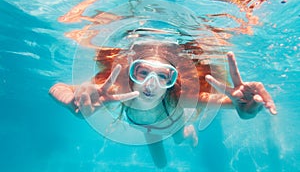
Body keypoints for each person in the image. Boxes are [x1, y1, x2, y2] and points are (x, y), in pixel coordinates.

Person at [49, 39, 277, 168]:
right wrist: (71, 101)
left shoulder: (182, 97)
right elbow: (56, 88)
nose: (151, 84)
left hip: (173, 124)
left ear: (172, 80)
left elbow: (233, 105)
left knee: (179, 139)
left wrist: (245, 107)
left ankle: (188, 133)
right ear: (131, 74)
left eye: (162, 76)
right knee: (160, 165)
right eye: (143, 72)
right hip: (147, 130)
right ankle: (184, 134)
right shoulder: (115, 92)